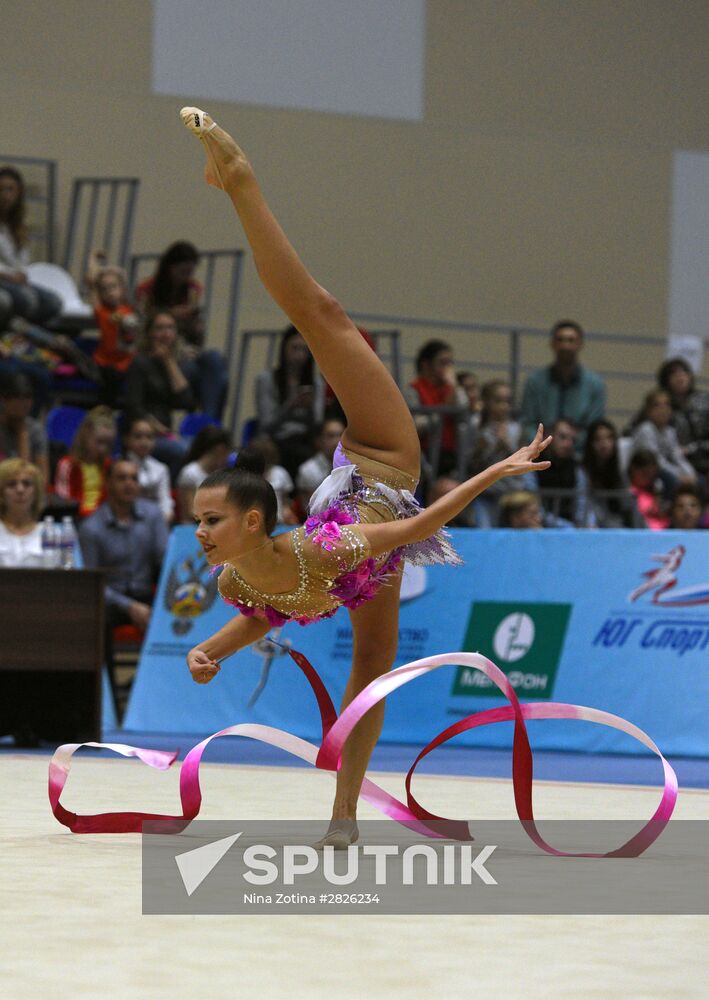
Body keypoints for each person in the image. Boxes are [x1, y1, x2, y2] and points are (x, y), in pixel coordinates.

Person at [180, 107, 551, 847]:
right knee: (372, 671)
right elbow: (268, 606)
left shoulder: (323, 551)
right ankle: (345, 816)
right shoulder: (234, 582)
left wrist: (497, 470)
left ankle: (241, 183)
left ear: (253, 520)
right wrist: (210, 651)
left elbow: (415, 528)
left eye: (209, 520)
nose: (197, 531)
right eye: (198, 520)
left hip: (380, 458)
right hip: (364, 556)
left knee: (323, 314)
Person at [79, 458, 168, 705]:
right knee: (97, 621)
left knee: (178, 617)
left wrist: (163, 604)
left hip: (147, 593)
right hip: (111, 599)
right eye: (122, 478)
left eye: (134, 478)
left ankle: (162, 695)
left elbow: (165, 564)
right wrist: (129, 606)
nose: (129, 484)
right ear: (108, 484)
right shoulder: (91, 528)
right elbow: (91, 583)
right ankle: (106, 697)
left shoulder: (152, 516)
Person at [134, 240, 228, 420]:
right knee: (207, 376)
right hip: (159, 355)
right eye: (183, 272)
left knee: (215, 360)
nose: (186, 277)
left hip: (185, 349)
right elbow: (142, 325)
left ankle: (207, 420)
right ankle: (207, 422)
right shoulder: (146, 290)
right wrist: (171, 315)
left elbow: (197, 340)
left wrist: (196, 326)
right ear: (170, 268)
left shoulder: (192, 290)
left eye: (190, 272)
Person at [123, 311, 196, 479]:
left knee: (200, 448)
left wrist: (170, 362)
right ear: (149, 334)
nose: (165, 333)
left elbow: (187, 402)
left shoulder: (171, 364)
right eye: (159, 328)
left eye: (170, 328)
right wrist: (157, 428)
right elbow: (134, 406)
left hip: (166, 433)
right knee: (182, 450)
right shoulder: (139, 362)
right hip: (143, 435)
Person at [519, 319, 606, 452]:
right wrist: (547, 443)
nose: (565, 345)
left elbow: (594, 428)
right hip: (540, 451)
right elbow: (527, 422)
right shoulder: (534, 381)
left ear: (580, 344)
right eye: (560, 340)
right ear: (552, 344)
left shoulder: (595, 385)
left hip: (579, 455)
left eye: (571, 340)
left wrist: (568, 442)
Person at [255, 324, 325, 480]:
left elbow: (318, 423)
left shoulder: (317, 383)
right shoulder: (267, 379)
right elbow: (266, 423)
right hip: (276, 438)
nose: (299, 355)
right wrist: (291, 406)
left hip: (305, 437)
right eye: (295, 348)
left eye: (304, 350)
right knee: (290, 452)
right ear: (284, 349)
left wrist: (310, 408)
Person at [0, 166, 62, 327]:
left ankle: (24, 335)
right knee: (26, 300)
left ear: (18, 193)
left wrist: (21, 274)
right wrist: (10, 276)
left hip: (15, 279)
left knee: (53, 302)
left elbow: (22, 260)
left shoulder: (18, 227)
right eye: (1, 189)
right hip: (3, 278)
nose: (5, 195)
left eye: (10, 190)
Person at [469, 379, 529, 527]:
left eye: (507, 401)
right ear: (487, 402)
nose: (504, 406)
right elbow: (473, 465)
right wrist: (494, 447)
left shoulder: (516, 429)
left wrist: (507, 445)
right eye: (498, 401)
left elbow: (524, 461)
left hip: (512, 494)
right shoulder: (477, 427)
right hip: (485, 492)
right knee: (485, 532)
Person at [404, 340, 468, 476]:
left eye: (450, 363)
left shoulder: (450, 388)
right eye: (443, 363)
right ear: (426, 365)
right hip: (425, 453)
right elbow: (415, 425)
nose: (448, 368)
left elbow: (464, 407)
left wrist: (455, 385)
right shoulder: (414, 390)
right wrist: (441, 413)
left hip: (451, 451)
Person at [89, 263, 139, 406]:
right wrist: (93, 260)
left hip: (127, 361)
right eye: (104, 289)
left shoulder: (129, 310)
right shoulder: (102, 311)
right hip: (106, 362)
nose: (110, 292)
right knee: (110, 379)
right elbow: (93, 285)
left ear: (122, 289)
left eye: (113, 287)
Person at [54, 405, 116, 518]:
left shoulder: (109, 465)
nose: (103, 448)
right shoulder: (67, 464)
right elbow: (63, 500)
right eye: (100, 442)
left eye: (108, 444)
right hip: (76, 517)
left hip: (103, 519)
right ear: (85, 436)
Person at [657, 357, 709, 483]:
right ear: (666, 380)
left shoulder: (704, 401)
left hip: (703, 460)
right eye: (674, 373)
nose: (680, 376)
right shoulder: (660, 403)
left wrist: (692, 449)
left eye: (684, 371)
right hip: (674, 465)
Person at [535, 418, 593, 527]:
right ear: (549, 437)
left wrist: (585, 526)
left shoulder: (577, 469)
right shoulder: (532, 465)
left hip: (571, 531)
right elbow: (532, 506)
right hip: (538, 527)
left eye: (573, 440)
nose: (568, 444)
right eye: (562, 437)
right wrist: (565, 527)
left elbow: (582, 506)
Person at [631, 389, 696, 486]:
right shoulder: (645, 430)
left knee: (700, 481)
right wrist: (679, 476)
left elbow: (678, 457)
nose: (663, 409)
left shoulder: (670, 431)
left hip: (664, 472)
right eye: (657, 405)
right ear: (648, 411)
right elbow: (657, 461)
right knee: (674, 481)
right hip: (647, 473)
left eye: (667, 405)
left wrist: (691, 474)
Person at [582, 418, 639, 528]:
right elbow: (587, 509)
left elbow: (628, 506)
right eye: (598, 439)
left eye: (609, 438)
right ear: (590, 444)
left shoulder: (619, 473)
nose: (604, 444)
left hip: (617, 527)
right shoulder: (583, 473)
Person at [176, 425, 233, 522]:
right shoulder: (190, 472)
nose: (227, 457)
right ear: (219, 450)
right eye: (226, 453)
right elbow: (191, 512)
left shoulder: (225, 474)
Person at [123, 414, 174, 522]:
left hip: (156, 522)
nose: (144, 442)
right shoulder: (119, 467)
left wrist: (164, 518)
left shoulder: (161, 468)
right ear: (127, 439)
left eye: (149, 437)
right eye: (138, 436)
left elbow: (165, 501)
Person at [0, 373, 49, 484]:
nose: (23, 404)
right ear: (4, 400)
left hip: (25, 494)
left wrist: (23, 434)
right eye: (17, 397)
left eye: (27, 397)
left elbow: (42, 480)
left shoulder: (36, 430)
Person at [0, 457, 45, 566]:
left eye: (27, 484)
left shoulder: (56, 533)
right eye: (11, 484)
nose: (20, 490)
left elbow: (75, 578)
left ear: (36, 492)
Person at [296, 416, 346, 510]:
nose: (337, 441)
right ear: (318, 440)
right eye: (331, 436)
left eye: (341, 435)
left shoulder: (352, 467)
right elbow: (311, 507)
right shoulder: (308, 470)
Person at [247, 435, 298, 525]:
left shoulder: (280, 472)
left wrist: (287, 512)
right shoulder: (247, 474)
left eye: (266, 455)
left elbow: (285, 500)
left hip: (278, 521)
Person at [627, 449, 673, 530]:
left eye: (652, 475)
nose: (649, 479)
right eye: (645, 474)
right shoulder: (630, 493)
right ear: (633, 470)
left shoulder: (660, 490)